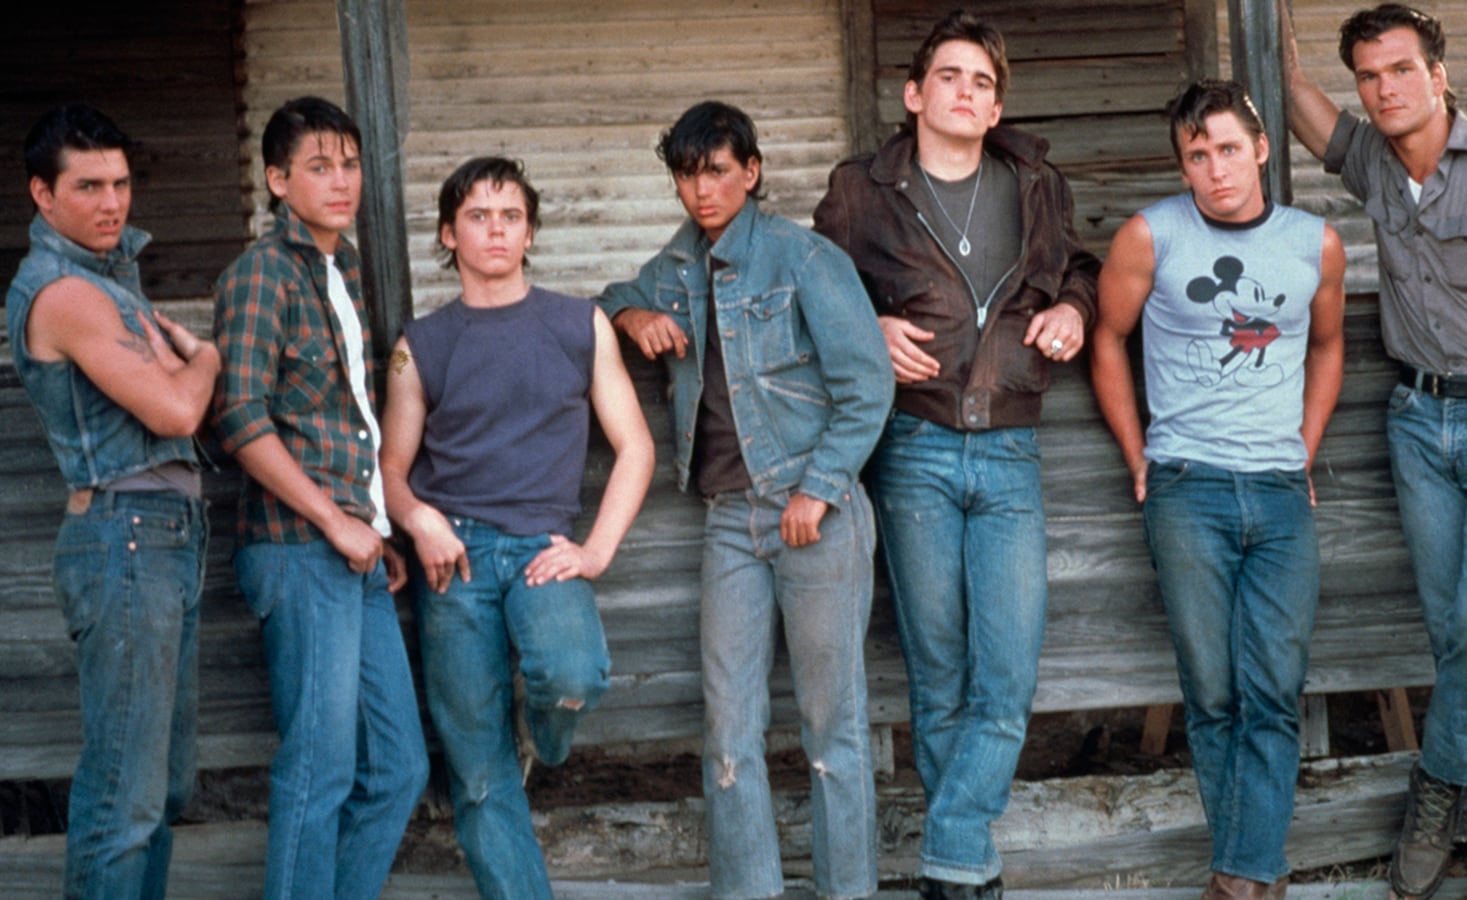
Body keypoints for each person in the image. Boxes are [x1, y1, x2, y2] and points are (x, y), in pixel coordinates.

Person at [1279, 4, 1467, 898]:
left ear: (1439, 74)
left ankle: (1439, 787)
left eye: (1402, 70)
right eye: (1370, 76)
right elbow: (1298, 98)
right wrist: (1273, 25)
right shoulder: (1373, 159)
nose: (1385, 88)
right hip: (1416, 423)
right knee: (1460, 641)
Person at [812, 11, 1100, 897]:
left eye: (982, 81)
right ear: (914, 94)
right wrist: (870, 325)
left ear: (996, 102)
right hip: (914, 447)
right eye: (950, 76)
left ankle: (953, 850)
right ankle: (965, 872)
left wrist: (1075, 312)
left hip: (1010, 448)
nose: (966, 92)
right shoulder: (861, 190)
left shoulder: (1036, 182)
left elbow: (1080, 267)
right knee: (937, 671)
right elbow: (814, 293)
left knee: (1007, 670)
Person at [597, 100, 892, 900]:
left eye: (717, 172)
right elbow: (611, 293)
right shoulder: (681, 263)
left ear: (751, 173)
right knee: (728, 727)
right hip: (729, 519)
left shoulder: (804, 258)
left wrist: (819, 490)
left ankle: (849, 892)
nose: (702, 191)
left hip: (813, 514)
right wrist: (635, 313)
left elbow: (868, 386)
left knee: (832, 728)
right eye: (688, 175)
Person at [1091, 80, 1346, 900]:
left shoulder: (1315, 244)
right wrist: (1139, 453)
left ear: (1262, 149)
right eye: (1196, 156)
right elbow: (1108, 340)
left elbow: (1329, 347)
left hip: (1278, 494)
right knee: (1213, 692)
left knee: (1273, 690)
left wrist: (1302, 450)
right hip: (1188, 487)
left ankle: (1241, 877)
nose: (1214, 170)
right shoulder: (1149, 236)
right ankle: (1253, 876)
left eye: (1228, 149)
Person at [378, 156, 654, 899]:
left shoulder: (579, 323)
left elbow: (636, 446)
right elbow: (391, 468)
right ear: (448, 232)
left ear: (530, 232)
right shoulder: (420, 344)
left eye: (510, 216)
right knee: (476, 775)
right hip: (454, 561)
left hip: (542, 550)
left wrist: (596, 549)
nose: (495, 230)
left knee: (571, 676)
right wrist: (418, 519)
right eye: (477, 215)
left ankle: (546, 737)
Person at [211, 96, 429, 899]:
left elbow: (350, 421)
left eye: (349, 163)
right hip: (301, 550)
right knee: (320, 768)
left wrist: (372, 526)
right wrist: (338, 521)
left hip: (355, 550)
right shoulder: (261, 274)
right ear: (276, 180)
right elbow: (239, 416)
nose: (341, 181)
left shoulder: (344, 275)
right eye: (317, 166)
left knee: (400, 766)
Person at [7, 104, 218, 900]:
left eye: (122, 183)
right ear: (42, 194)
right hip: (125, 534)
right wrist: (210, 357)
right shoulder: (65, 294)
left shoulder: (107, 279)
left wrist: (181, 369)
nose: (111, 203)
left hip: (163, 532)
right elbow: (175, 410)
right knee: (125, 792)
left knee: (160, 787)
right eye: (88, 185)